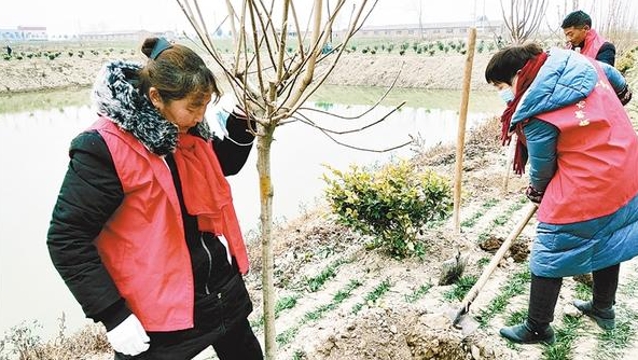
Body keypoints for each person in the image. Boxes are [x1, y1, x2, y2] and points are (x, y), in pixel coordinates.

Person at [47, 37, 263, 359]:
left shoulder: (187, 130)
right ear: (156, 97)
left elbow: (224, 164)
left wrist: (244, 116)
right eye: (193, 107)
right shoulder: (104, 149)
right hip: (157, 309)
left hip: (216, 291)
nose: (200, 116)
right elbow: (67, 238)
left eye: (205, 106)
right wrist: (113, 316)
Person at [485, 42, 638, 345]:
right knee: (609, 238)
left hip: (590, 184)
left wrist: (537, 192)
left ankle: (538, 327)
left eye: (502, 86)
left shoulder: (537, 109)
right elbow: (617, 81)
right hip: (626, 168)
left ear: (518, 74)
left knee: (549, 250)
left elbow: (542, 167)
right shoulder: (583, 65)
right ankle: (603, 309)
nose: (503, 93)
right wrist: (615, 102)